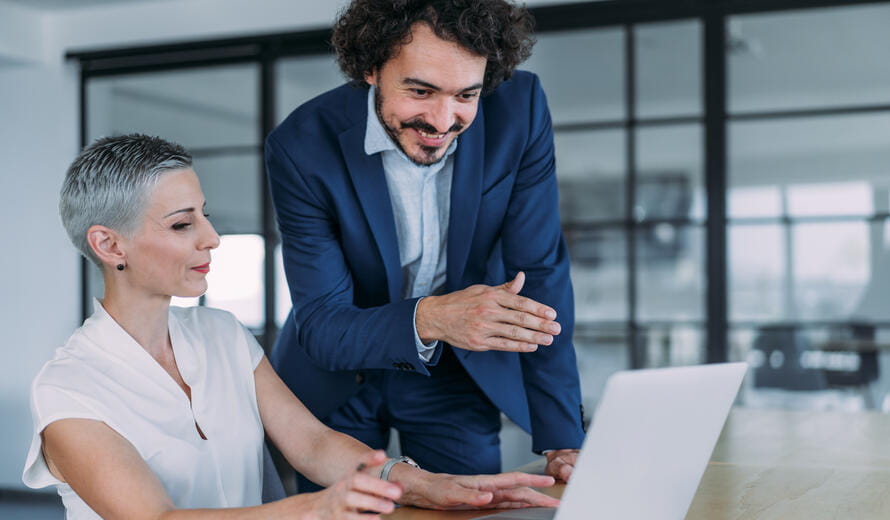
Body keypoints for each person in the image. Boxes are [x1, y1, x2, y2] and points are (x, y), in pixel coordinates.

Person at [22, 134, 560, 519]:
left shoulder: (221, 333)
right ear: (109, 244)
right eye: (183, 224)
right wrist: (314, 509)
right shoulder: (69, 388)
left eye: (205, 215)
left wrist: (423, 483)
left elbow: (313, 444)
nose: (211, 237)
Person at [267, 0, 584, 487]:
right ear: (371, 68)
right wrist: (432, 317)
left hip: (456, 366)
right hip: (338, 372)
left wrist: (562, 436)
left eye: (466, 95)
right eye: (420, 91)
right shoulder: (301, 144)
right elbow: (323, 322)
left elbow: (540, 275)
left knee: (470, 507)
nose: (441, 121)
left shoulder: (519, 110)